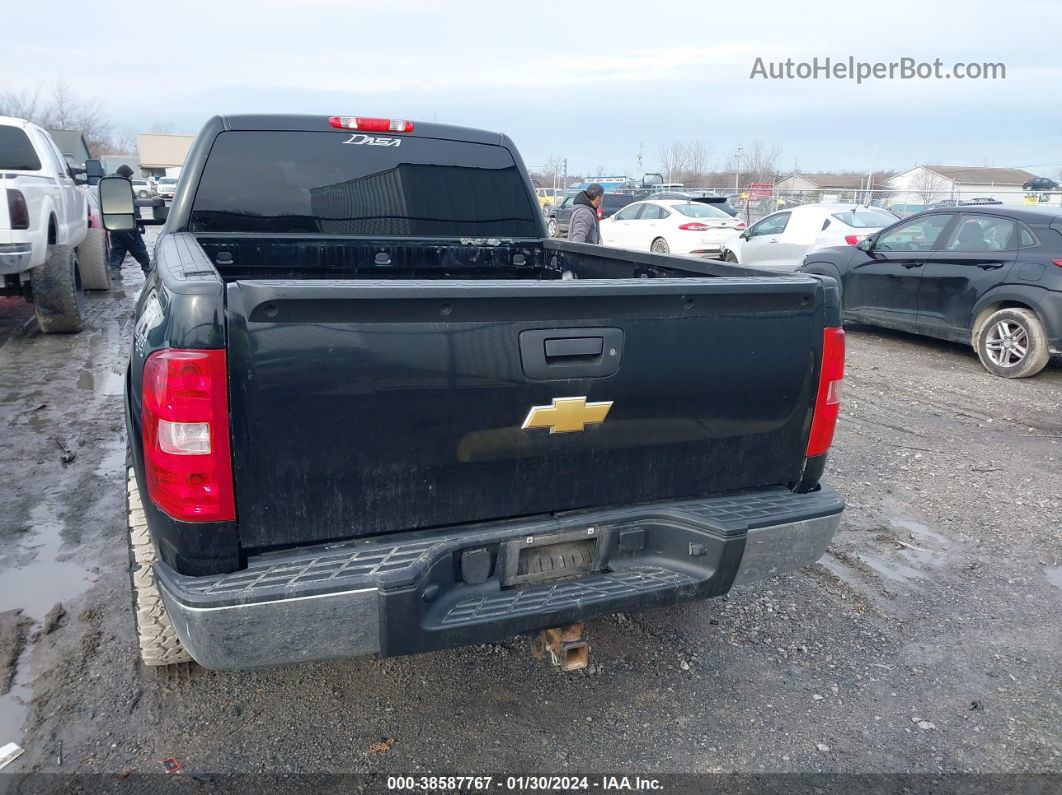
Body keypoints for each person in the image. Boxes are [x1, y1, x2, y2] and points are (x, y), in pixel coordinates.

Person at [108, 165, 151, 275]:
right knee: (138, 246)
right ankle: (148, 269)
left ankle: (114, 270)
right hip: (127, 222)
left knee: (118, 247)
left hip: (113, 223)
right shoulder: (124, 184)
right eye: (130, 176)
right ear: (126, 174)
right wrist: (139, 221)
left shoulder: (109, 183)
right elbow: (134, 205)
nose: (131, 178)